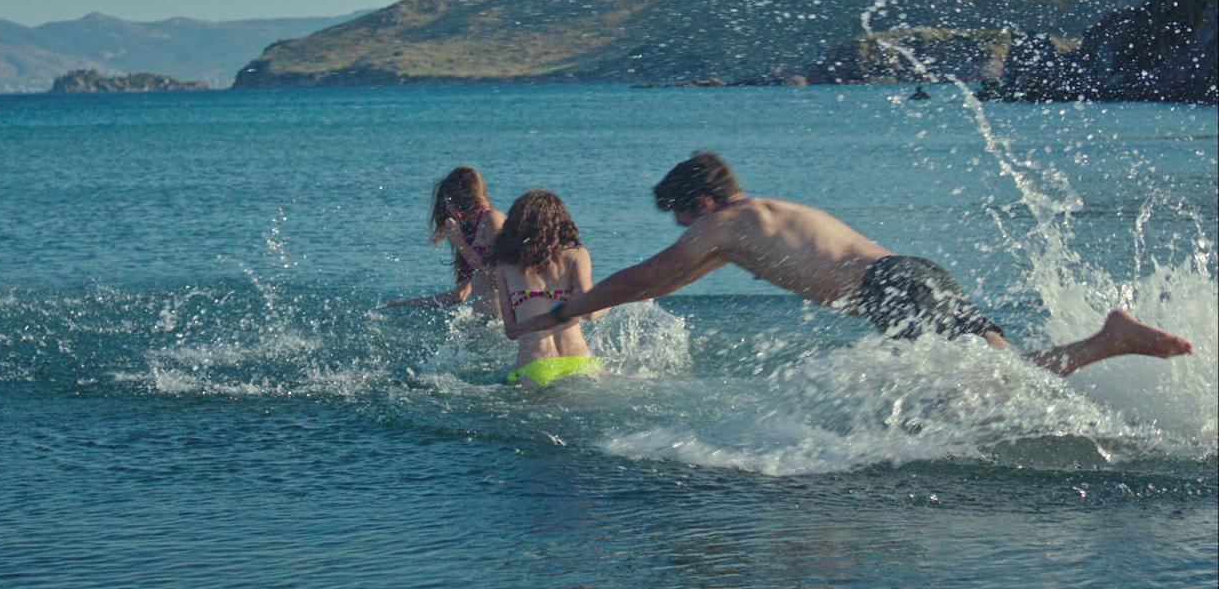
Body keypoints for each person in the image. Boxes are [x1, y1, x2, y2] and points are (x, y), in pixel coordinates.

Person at [515, 152, 1192, 376]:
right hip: (915, 273)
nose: (684, 232)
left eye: (681, 218)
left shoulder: (725, 223)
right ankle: (1111, 340)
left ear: (701, 203)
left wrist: (565, 309)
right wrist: (588, 309)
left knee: (998, 385)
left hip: (892, 289)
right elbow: (665, 282)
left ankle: (1111, 340)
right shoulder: (756, 223)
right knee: (1012, 374)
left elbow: (645, 275)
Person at [487, 190, 608, 388]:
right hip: (580, 362)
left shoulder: (504, 266)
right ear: (560, 222)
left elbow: (511, 332)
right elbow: (590, 312)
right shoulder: (576, 255)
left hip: (534, 367)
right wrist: (613, 300)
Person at [387, 166, 505, 317]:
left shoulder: (492, 220)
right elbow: (459, 295)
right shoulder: (469, 233)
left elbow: (499, 275)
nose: (445, 208)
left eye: (446, 202)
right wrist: (404, 304)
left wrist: (460, 243)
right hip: (483, 322)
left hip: (502, 325)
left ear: (454, 200)